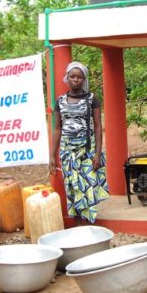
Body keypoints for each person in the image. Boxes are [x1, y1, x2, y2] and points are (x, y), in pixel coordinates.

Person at [49, 61, 109, 223]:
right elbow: (57, 129)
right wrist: (52, 156)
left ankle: (88, 222)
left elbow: (98, 126)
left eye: (79, 77)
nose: (75, 79)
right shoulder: (60, 101)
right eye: (72, 76)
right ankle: (77, 222)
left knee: (88, 184)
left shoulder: (92, 99)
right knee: (72, 185)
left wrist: (98, 153)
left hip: (87, 150)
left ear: (84, 79)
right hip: (67, 151)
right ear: (66, 78)